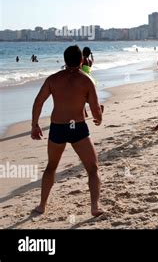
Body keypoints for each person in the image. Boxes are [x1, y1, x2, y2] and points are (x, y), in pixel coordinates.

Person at [31, 45, 104, 217]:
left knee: (51, 167)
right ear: (81, 60)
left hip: (58, 127)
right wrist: (99, 117)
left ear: (64, 60)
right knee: (92, 169)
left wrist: (35, 125)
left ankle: (42, 206)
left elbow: (38, 102)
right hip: (77, 127)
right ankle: (95, 206)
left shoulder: (53, 79)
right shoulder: (87, 80)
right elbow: (95, 109)